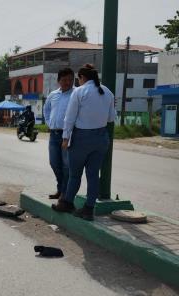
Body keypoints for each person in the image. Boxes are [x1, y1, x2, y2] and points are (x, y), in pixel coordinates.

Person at [52, 64, 116, 221]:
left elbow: (70, 118)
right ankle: (88, 209)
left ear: (82, 78)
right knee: (93, 175)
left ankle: (67, 202)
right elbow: (111, 118)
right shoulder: (107, 92)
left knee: (75, 175)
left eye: (78, 79)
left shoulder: (79, 92)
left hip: (81, 138)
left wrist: (66, 138)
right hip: (101, 138)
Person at [43, 68, 75, 200]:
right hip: (54, 134)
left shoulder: (76, 93)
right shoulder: (53, 94)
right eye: (64, 80)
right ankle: (60, 188)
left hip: (68, 135)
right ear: (58, 81)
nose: (67, 82)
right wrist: (49, 124)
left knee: (66, 165)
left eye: (70, 80)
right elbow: (47, 109)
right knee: (54, 163)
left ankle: (64, 192)